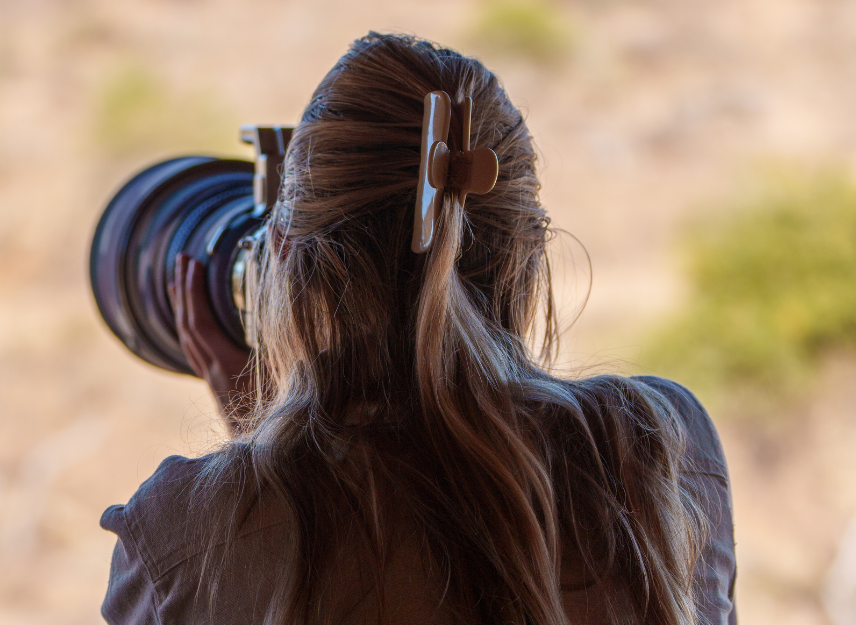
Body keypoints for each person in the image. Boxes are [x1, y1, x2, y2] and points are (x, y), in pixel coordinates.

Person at [100, 33, 736, 625]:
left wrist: (259, 437)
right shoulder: (655, 452)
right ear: (527, 250)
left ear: (288, 256)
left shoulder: (183, 536)